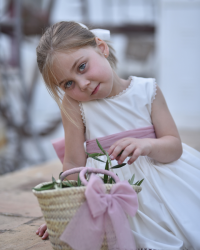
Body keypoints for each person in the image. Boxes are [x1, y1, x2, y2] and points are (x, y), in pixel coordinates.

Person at [35, 21, 200, 250]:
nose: (82, 85)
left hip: (160, 183)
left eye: (82, 66)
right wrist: (63, 212)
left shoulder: (147, 91)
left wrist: (147, 145)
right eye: (68, 83)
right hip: (107, 188)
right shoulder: (74, 104)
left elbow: (174, 147)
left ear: (101, 47)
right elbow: (73, 162)